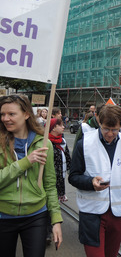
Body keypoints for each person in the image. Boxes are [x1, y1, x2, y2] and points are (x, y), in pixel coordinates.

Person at [68, 104, 121, 256]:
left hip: (119, 213)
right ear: (99, 122)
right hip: (93, 214)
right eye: (106, 128)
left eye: (115, 129)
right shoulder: (84, 143)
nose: (111, 134)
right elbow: (73, 176)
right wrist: (90, 182)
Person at [0, 94, 63, 256]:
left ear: (27, 114)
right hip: (3, 215)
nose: (5, 118)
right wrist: (26, 162)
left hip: (36, 216)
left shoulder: (44, 144)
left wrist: (56, 220)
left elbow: (50, 184)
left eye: (11, 114)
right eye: (2, 114)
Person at [49, 118, 71, 202]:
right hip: (51, 177)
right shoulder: (46, 142)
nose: (63, 127)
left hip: (61, 175)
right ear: (54, 128)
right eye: (61, 125)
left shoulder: (62, 141)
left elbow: (67, 156)